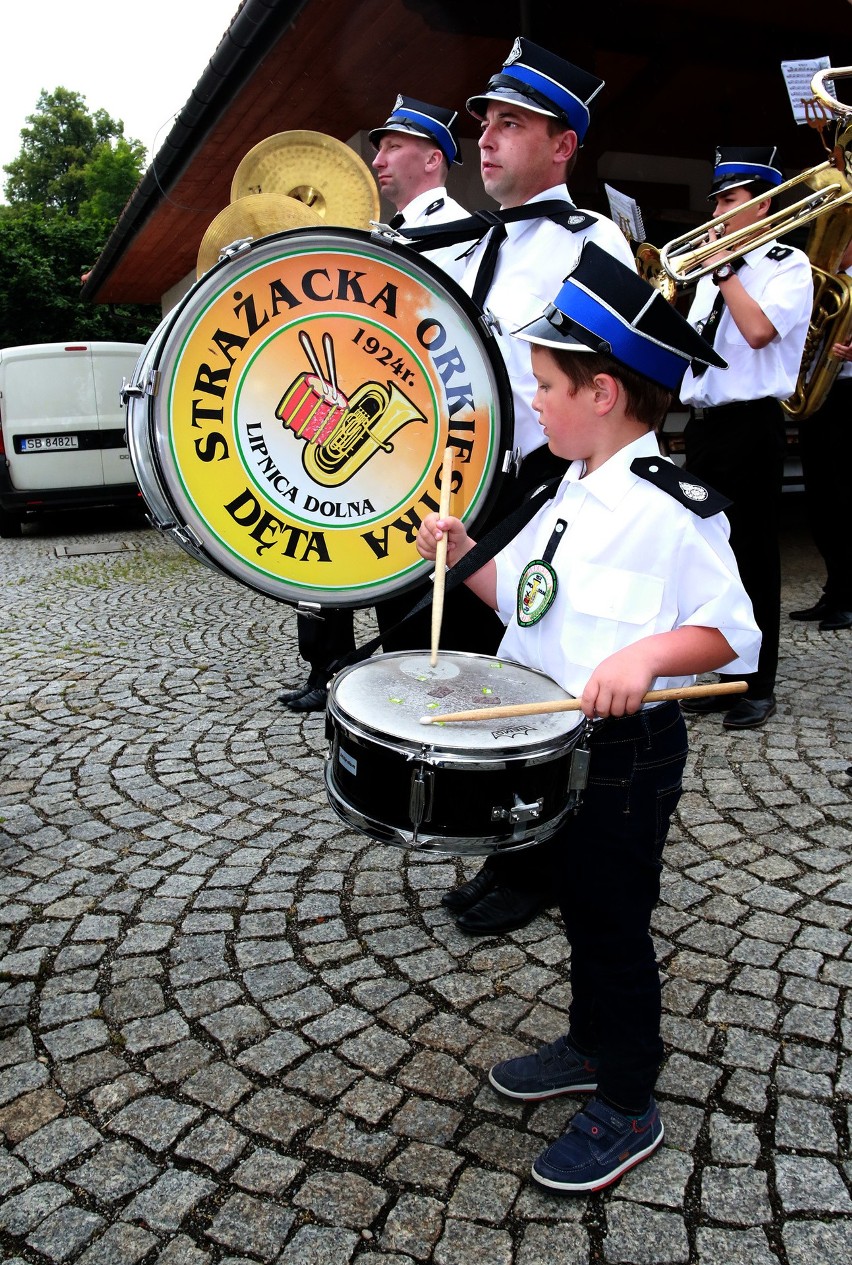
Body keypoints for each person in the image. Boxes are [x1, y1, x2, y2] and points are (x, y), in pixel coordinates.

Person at [415, 241, 760, 1192]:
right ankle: (586, 1041)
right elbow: (527, 606)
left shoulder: (670, 510)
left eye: (546, 385)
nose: (534, 402)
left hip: (626, 752)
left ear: (603, 393)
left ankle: (629, 1097)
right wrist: (461, 557)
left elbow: (731, 633)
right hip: (551, 745)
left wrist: (647, 655)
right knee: (574, 905)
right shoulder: (565, 488)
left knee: (614, 922)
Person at [403, 37, 637, 934]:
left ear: (564, 145)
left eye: (511, 125)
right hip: (465, 487)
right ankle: (495, 837)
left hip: (544, 484)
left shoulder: (595, 241)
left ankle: (533, 860)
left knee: (531, 679)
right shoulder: (465, 243)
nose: (488, 141)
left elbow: (603, 388)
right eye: (486, 125)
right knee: (471, 672)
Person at [678, 146, 813, 729]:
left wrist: (728, 268)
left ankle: (758, 685)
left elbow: (757, 332)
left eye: (730, 199)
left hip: (751, 426)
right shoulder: (712, 273)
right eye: (717, 199)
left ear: (761, 205)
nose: (718, 210)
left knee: (754, 556)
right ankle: (721, 675)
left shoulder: (788, 265)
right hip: (705, 428)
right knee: (710, 559)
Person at [789, 235, 852, 631]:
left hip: (850, 394)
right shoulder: (821, 280)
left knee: (846, 498)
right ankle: (835, 590)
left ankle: (849, 596)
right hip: (819, 394)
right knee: (822, 498)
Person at [369, 94, 468, 279]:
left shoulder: (453, 229)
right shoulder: (401, 225)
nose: (377, 161)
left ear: (432, 160)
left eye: (393, 147)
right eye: (380, 149)